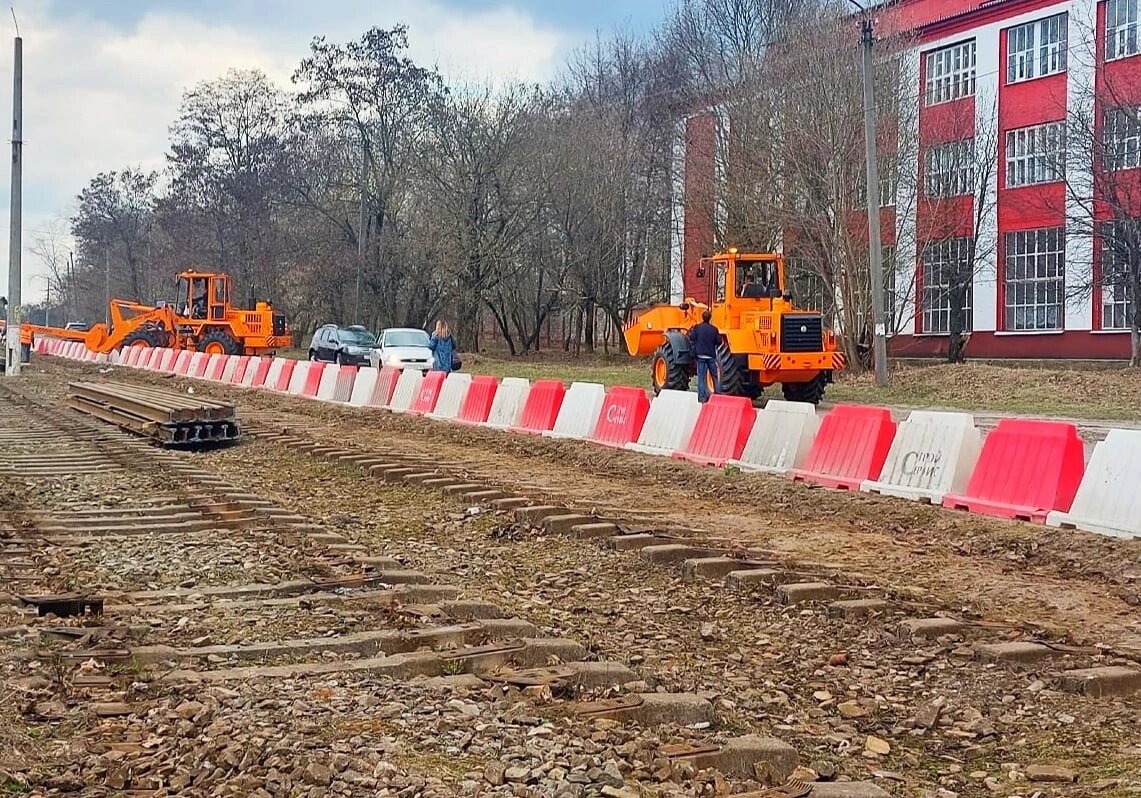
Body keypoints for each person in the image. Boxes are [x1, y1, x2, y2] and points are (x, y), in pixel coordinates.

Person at [688, 309, 720, 403]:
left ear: (702, 317)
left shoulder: (698, 328)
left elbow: (692, 338)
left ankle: (702, 398)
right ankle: (718, 396)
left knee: (701, 377)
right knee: (714, 377)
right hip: (711, 356)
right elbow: (719, 341)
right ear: (710, 318)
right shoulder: (714, 329)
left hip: (701, 356)